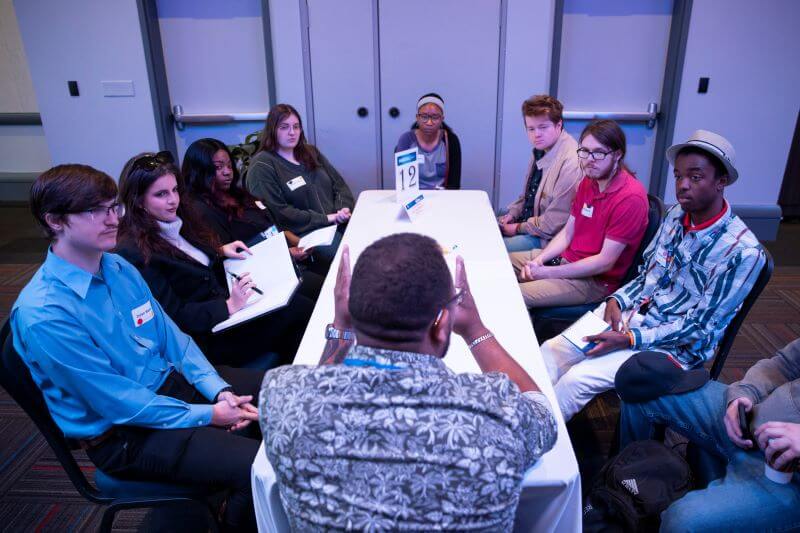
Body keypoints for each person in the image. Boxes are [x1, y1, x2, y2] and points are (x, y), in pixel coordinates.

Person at [11, 164, 262, 530]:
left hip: (169, 389)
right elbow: (119, 403)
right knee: (258, 469)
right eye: (95, 210)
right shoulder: (44, 313)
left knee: (280, 391)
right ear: (55, 221)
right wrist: (209, 414)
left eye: (114, 206)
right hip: (124, 434)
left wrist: (217, 390)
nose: (112, 219)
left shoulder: (116, 267)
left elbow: (173, 339)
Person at [260, 233, 558, 531]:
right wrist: (474, 328)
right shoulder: (498, 410)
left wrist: (340, 325)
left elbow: (316, 386)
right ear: (442, 327)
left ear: (350, 310)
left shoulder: (281, 395)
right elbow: (543, 413)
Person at [541, 130, 766, 420]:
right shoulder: (675, 216)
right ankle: (519, 420)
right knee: (552, 352)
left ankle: (532, 441)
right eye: (678, 175)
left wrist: (631, 338)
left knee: (576, 380)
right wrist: (618, 300)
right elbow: (650, 274)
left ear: (721, 182)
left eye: (695, 177)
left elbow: (699, 327)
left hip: (673, 348)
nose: (682, 186)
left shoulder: (742, 252)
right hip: (634, 314)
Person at [115, 151, 315, 368]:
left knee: (300, 299)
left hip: (228, 311)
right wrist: (229, 306)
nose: (173, 200)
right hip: (209, 337)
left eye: (174, 190)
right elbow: (173, 316)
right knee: (298, 311)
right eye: (161, 194)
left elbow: (191, 262)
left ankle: (304, 379)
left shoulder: (180, 222)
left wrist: (219, 251)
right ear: (139, 201)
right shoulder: (134, 251)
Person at [618, 337, 800, 531]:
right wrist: (743, 393)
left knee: (683, 520)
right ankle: (620, 487)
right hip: (752, 417)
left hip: (786, 472)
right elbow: (785, 364)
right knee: (643, 389)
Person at [510, 119, 648, 308]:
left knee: (510, 296)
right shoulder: (588, 181)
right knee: (498, 264)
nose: (589, 159)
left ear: (617, 154)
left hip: (594, 281)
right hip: (566, 261)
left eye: (598, 152)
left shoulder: (630, 198)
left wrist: (546, 272)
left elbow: (604, 263)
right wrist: (540, 261)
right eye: (584, 151)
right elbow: (568, 233)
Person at [181, 137, 330, 277]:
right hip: (262, 273)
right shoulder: (202, 210)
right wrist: (286, 254)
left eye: (228, 165)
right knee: (322, 288)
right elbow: (233, 259)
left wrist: (296, 241)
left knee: (331, 268)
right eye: (218, 167)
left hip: (284, 257)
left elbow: (269, 228)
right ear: (199, 171)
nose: (227, 172)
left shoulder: (238, 194)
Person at [245, 103, 355, 264]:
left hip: (336, 223)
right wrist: (327, 219)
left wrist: (343, 209)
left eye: (296, 127)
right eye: (284, 127)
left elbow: (339, 185)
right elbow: (280, 212)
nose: (292, 132)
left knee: (373, 245)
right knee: (349, 259)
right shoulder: (262, 165)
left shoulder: (309, 152)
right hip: (304, 234)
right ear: (272, 130)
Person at [499, 95, 583, 252]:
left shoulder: (572, 162)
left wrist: (517, 228)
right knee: (488, 221)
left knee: (494, 247)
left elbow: (553, 223)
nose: (536, 134)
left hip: (549, 239)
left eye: (543, 127)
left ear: (559, 125)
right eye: (531, 129)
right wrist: (512, 214)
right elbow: (527, 197)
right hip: (532, 223)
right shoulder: (540, 150)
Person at [394, 92, 462, 190]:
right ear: (417, 118)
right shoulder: (407, 140)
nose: (429, 122)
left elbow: (454, 184)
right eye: (424, 117)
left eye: (435, 117)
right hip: (413, 197)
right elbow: (404, 184)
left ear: (442, 119)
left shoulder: (450, 141)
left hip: (443, 198)